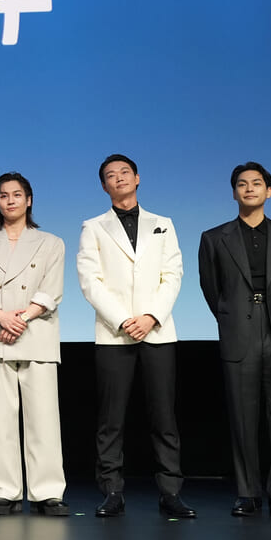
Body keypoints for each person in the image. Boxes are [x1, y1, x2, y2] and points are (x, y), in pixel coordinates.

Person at [76, 154, 195, 518]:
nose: (119, 178)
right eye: (111, 175)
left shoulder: (163, 224)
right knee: (111, 418)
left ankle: (170, 491)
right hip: (114, 333)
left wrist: (151, 316)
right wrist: (125, 320)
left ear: (138, 178)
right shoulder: (93, 227)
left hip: (157, 331)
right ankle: (112, 490)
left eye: (125, 172)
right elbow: (90, 281)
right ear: (104, 186)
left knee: (164, 416)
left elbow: (172, 274)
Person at [199, 162, 271, 519]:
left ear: (268, 191)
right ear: (234, 192)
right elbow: (211, 288)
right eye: (242, 184)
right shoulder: (214, 238)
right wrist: (230, 316)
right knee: (242, 418)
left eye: (257, 183)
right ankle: (247, 492)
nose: (249, 189)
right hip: (238, 329)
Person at [0, 172, 68, 517]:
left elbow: (51, 289)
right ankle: (3, 492)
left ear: (29, 200)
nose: (10, 200)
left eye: (17, 194)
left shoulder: (51, 243)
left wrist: (19, 319)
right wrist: (1, 316)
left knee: (43, 418)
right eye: (3, 195)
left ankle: (47, 492)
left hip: (36, 332)